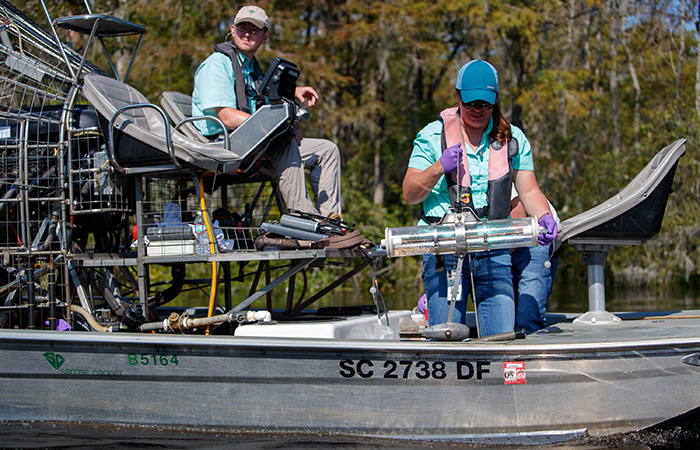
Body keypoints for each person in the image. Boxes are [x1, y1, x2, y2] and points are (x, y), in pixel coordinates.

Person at [402, 59, 557, 337]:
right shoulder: (432, 135)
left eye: (484, 104)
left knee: (502, 340)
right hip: (443, 249)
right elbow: (410, 193)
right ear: (458, 96)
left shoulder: (512, 138)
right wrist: (439, 166)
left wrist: (545, 217)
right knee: (445, 339)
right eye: (471, 102)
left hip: (493, 249)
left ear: (495, 101)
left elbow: (529, 190)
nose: (477, 110)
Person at [191, 5, 341, 218]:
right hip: (226, 145)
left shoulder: (251, 68)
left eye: (254, 30)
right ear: (232, 30)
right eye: (243, 28)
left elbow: (260, 96)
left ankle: (332, 219)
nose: (247, 34)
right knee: (285, 143)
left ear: (265, 36)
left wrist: (294, 92)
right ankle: (307, 221)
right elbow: (227, 116)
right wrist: (280, 129)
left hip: (254, 143)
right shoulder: (217, 65)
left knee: (326, 150)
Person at [510, 195, 560, 333]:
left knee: (528, 314)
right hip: (502, 241)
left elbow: (518, 218)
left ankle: (533, 348)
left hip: (537, 237)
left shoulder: (494, 176)